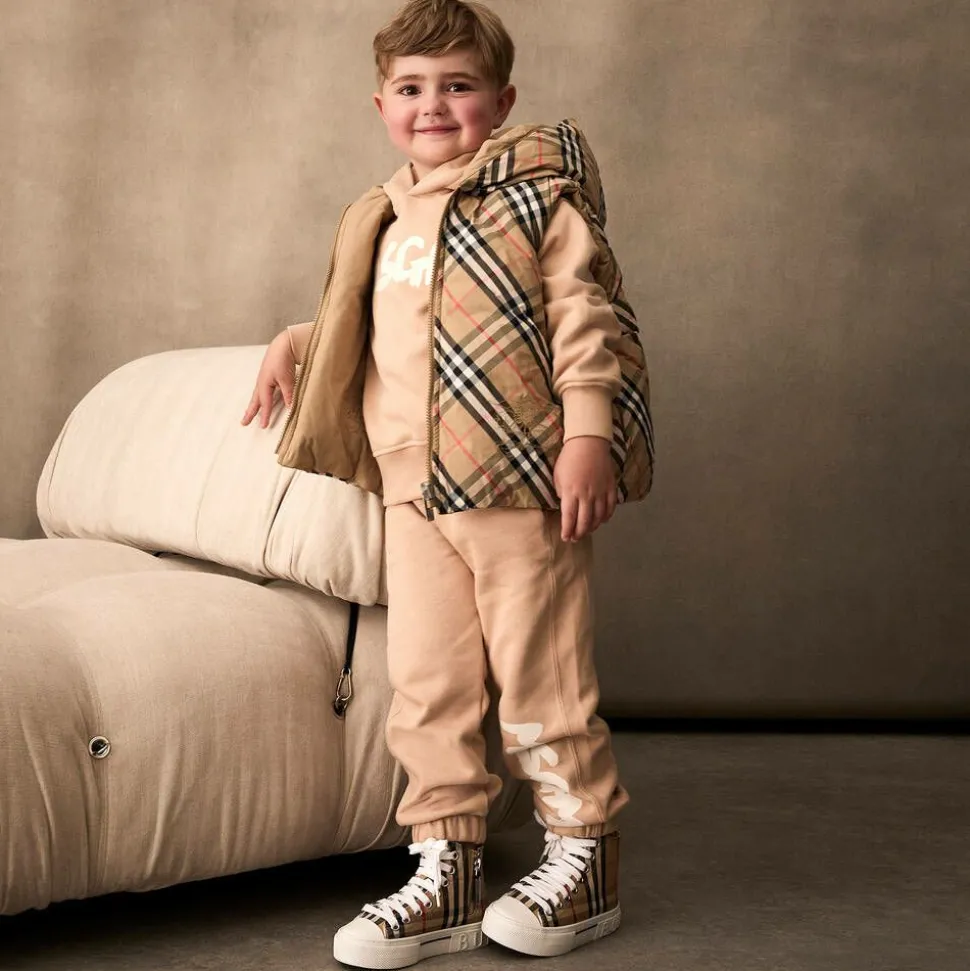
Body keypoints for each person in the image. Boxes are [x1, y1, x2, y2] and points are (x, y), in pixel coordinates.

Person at [241, 1, 654, 966]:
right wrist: (298, 338)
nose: (434, 105)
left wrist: (587, 434)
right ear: (382, 104)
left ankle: (583, 852)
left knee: (542, 675)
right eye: (412, 88)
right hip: (413, 489)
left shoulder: (533, 202)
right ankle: (447, 867)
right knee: (426, 684)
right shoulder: (385, 216)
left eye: (458, 85)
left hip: (515, 478)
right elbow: (387, 318)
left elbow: (583, 319)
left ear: (501, 102)